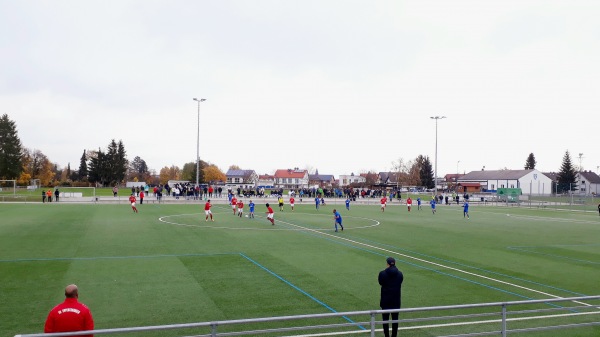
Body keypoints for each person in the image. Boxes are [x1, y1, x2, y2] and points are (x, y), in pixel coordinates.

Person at [378, 257, 404, 337]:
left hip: (385, 300)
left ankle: (386, 335)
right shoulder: (400, 274)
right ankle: (394, 335)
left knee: (385, 320)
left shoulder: (382, 273)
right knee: (395, 320)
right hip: (396, 300)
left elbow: (380, 282)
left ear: (387, 264)